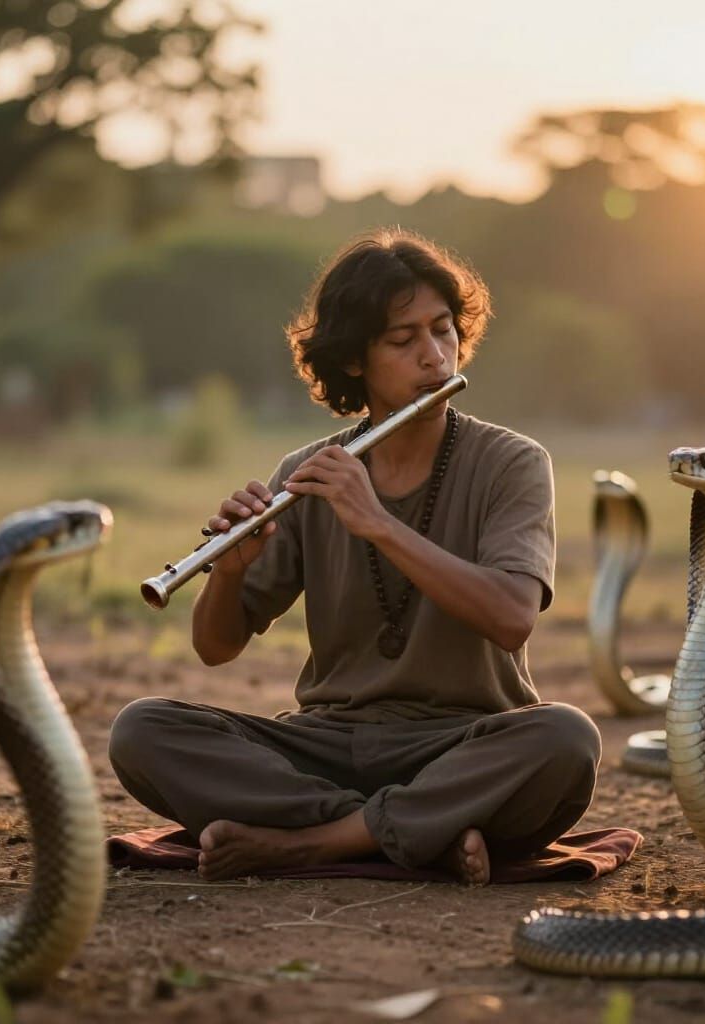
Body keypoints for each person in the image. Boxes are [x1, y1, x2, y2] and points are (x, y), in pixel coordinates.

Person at [110, 228, 601, 885]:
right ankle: (409, 830)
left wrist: (377, 524)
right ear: (353, 361)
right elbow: (215, 648)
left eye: (443, 330)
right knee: (142, 731)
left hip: (462, 742)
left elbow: (512, 617)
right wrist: (228, 572)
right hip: (328, 744)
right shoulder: (308, 474)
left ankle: (313, 843)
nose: (435, 357)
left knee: (565, 741)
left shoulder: (512, 462)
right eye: (404, 341)